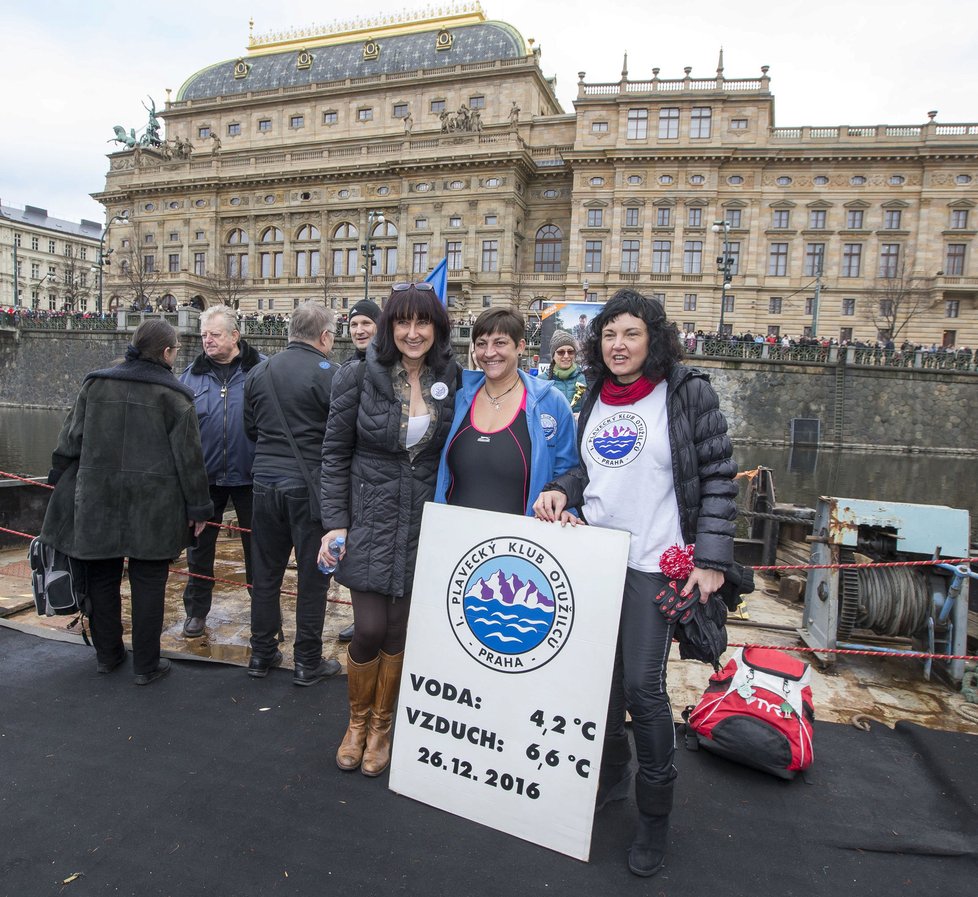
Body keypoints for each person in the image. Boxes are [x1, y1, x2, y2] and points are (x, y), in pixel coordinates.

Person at [533, 289, 737, 878]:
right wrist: (562, 491)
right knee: (602, 687)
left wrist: (712, 558)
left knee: (645, 689)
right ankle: (613, 774)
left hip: (655, 561)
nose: (618, 346)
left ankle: (655, 815)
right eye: (609, 335)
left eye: (631, 334)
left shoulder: (686, 391)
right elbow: (587, 470)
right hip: (597, 558)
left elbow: (720, 474)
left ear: (654, 340)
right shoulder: (595, 394)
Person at [320, 283, 459, 777]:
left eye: (423, 323)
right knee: (370, 628)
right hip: (370, 514)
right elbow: (334, 454)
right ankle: (356, 722)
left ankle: (382, 726)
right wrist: (335, 523)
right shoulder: (356, 376)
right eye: (403, 322)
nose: (413, 332)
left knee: (400, 630)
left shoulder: (452, 377)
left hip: (423, 518)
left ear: (437, 329)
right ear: (389, 328)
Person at [38, 320, 213, 685]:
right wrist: (198, 508)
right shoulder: (175, 396)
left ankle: (108, 655)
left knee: (101, 579)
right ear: (166, 353)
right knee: (149, 583)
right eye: (176, 348)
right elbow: (190, 460)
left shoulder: (96, 383)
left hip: (97, 502)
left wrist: (58, 476)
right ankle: (146, 666)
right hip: (155, 509)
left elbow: (70, 438)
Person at [243, 302, 342, 685]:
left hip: (264, 483)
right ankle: (307, 661)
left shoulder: (258, 371)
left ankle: (261, 654)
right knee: (313, 579)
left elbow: (249, 428)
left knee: (265, 575)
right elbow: (340, 436)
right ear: (326, 336)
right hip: (310, 488)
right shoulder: (331, 375)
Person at [434, 307, 577, 516]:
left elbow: (569, 473)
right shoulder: (458, 400)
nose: (489, 352)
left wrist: (562, 503)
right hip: (457, 541)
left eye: (500, 343)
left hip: (518, 544)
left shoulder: (552, 403)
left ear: (520, 346)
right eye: (481, 344)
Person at [178, 306, 264, 638]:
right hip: (206, 478)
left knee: (258, 549)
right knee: (199, 549)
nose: (208, 341)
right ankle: (196, 612)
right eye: (204, 335)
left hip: (252, 475)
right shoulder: (189, 377)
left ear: (234, 336)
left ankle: (262, 611)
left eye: (215, 334)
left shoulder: (262, 371)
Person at [336, 297, 381, 644]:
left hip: (378, 475)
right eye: (354, 325)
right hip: (355, 477)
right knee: (358, 552)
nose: (359, 330)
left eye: (366, 323)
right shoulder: (348, 368)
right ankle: (360, 617)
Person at [539, 329, 588, 412]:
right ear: (553, 356)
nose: (566, 356)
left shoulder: (586, 378)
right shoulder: (540, 381)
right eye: (561, 352)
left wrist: (582, 416)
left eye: (570, 351)